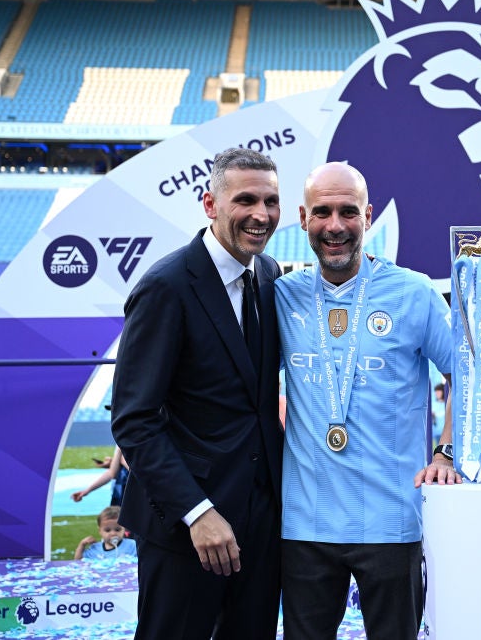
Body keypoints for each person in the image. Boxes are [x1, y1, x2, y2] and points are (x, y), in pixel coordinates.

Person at [276, 161, 458, 640]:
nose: (335, 226)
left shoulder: (414, 292)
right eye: (322, 212)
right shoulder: (282, 296)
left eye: (347, 212)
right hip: (305, 522)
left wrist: (447, 449)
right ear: (303, 218)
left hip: (391, 518)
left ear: (369, 216)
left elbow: (470, 372)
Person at [111, 147, 284, 639]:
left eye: (270, 201)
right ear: (210, 204)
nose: (260, 214)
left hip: (259, 525)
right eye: (245, 200)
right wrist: (197, 512)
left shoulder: (269, 275)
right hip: (187, 529)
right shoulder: (165, 287)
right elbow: (134, 419)